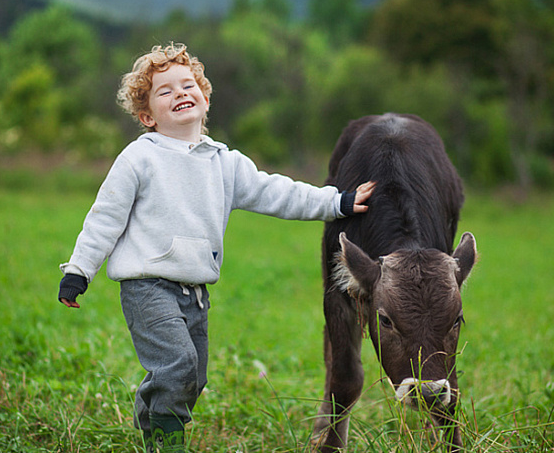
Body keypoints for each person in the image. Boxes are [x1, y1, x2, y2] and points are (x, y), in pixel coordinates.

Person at [57, 43, 375, 453]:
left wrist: (337, 202)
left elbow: (279, 193)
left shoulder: (225, 162)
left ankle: (153, 414)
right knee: (177, 366)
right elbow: (105, 217)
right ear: (147, 116)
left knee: (194, 377)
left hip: (195, 293)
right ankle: (166, 443)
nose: (180, 93)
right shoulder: (139, 158)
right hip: (146, 287)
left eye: (187, 85)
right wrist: (79, 270)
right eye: (165, 91)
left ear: (205, 99)